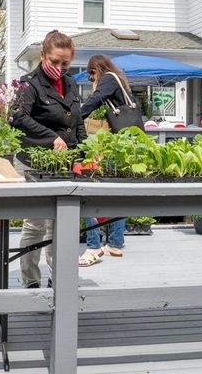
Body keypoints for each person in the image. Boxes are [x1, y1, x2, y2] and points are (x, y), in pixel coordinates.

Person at [9, 30, 87, 288]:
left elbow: (78, 122)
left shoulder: (73, 84)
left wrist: (84, 152)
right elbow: (18, 117)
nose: (60, 68)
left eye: (65, 63)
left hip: (65, 162)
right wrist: (51, 137)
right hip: (36, 159)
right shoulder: (28, 83)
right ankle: (30, 279)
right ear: (43, 55)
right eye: (55, 61)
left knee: (61, 222)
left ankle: (59, 278)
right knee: (36, 222)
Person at [78, 55, 131, 266]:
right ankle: (115, 244)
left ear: (97, 68)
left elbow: (94, 100)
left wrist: (74, 117)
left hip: (108, 147)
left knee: (90, 194)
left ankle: (93, 246)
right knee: (116, 195)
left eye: (91, 73)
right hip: (121, 146)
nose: (91, 77)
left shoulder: (108, 78)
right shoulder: (118, 79)